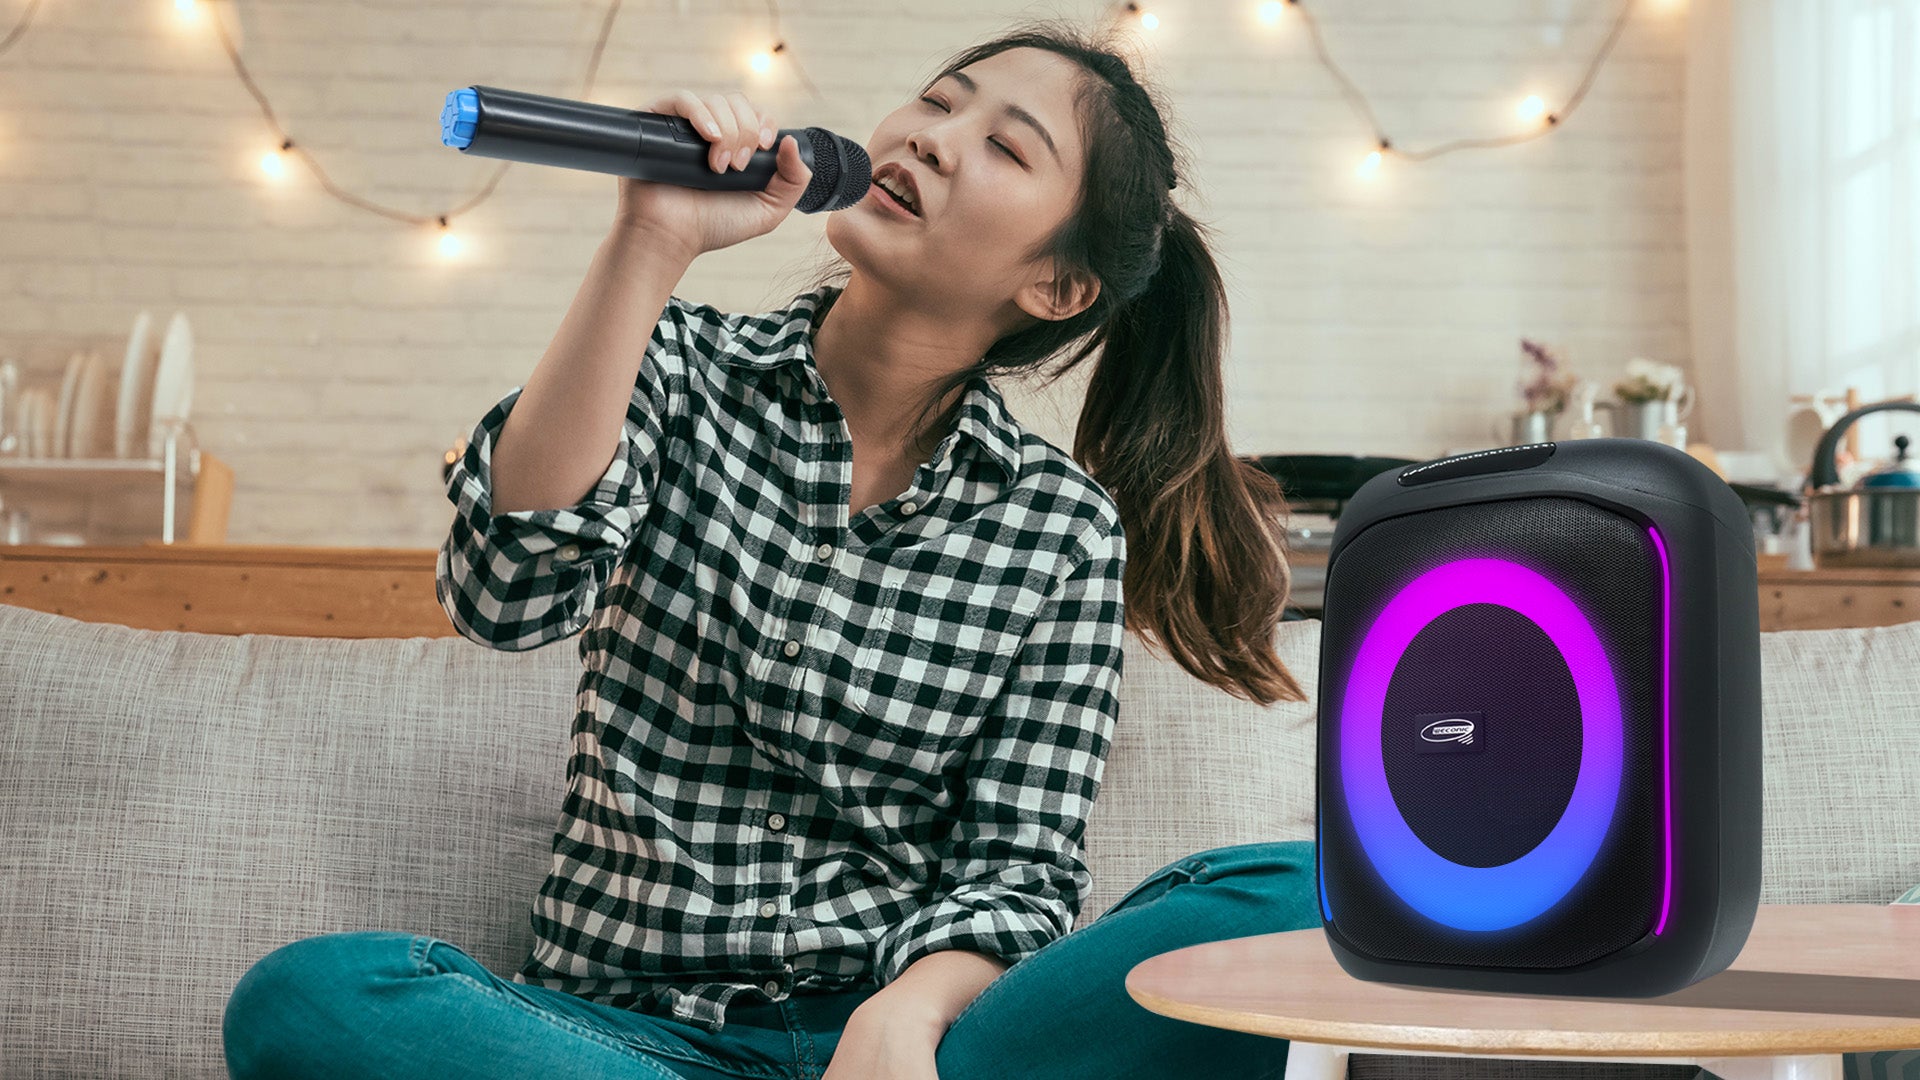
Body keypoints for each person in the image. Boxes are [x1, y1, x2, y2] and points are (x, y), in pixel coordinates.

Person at [223, 18, 1317, 1080]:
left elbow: (1016, 872)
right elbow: (502, 594)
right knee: (314, 997)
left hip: (902, 1047)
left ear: (1056, 286)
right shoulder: (671, 368)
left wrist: (902, 1017)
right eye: (938, 102)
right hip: (618, 1034)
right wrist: (650, 242)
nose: (929, 136)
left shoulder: (1062, 528)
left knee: (1293, 893)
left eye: (1002, 144)